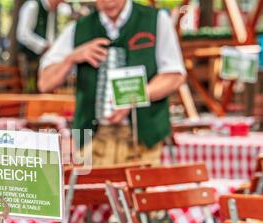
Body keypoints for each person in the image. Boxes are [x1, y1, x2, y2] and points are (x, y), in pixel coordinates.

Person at [39, 0, 186, 166]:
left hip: (143, 140)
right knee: (92, 191)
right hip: (92, 140)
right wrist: (72, 57)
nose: (109, 2)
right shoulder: (79, 28)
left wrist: (133, 98)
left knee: (140, 191)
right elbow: (45, 83)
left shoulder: (156, 20)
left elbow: (175, 76)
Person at [16, 0, 68, 92]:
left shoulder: (51, 12)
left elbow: (49, 35)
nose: (60, 4)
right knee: (30, 90)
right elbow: (23, 34)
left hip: (43, 59)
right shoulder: (32, 6)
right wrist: (43, 45)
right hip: (28, 58)